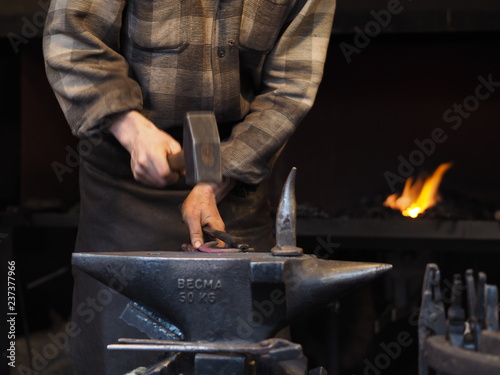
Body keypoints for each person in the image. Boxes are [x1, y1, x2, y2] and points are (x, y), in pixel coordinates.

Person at [43, 0, 335, 373]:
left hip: (238, 165)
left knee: (247, 350)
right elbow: (72, 39)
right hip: (126, 163)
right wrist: (130, 127)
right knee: (125, 351)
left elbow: (291, 88)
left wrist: (220, 175)